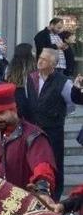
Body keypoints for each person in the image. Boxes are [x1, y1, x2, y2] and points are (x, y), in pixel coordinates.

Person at [0, 82, 57, 203]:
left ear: (14, 110)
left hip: (24, 202)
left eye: (1, 113)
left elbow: (42, 166)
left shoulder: (33, 136)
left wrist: (42, 190)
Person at [26, 48, 76, 200]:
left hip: (53, 130)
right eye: (40, 57)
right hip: (34, 129)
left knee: (54, 163)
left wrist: (55, 114)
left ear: (53, 64)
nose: (40, 61)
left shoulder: (63, 82)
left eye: (45, 60)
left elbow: (71, 104)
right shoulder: (31, 78)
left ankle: (54, 198)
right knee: (34, 162)